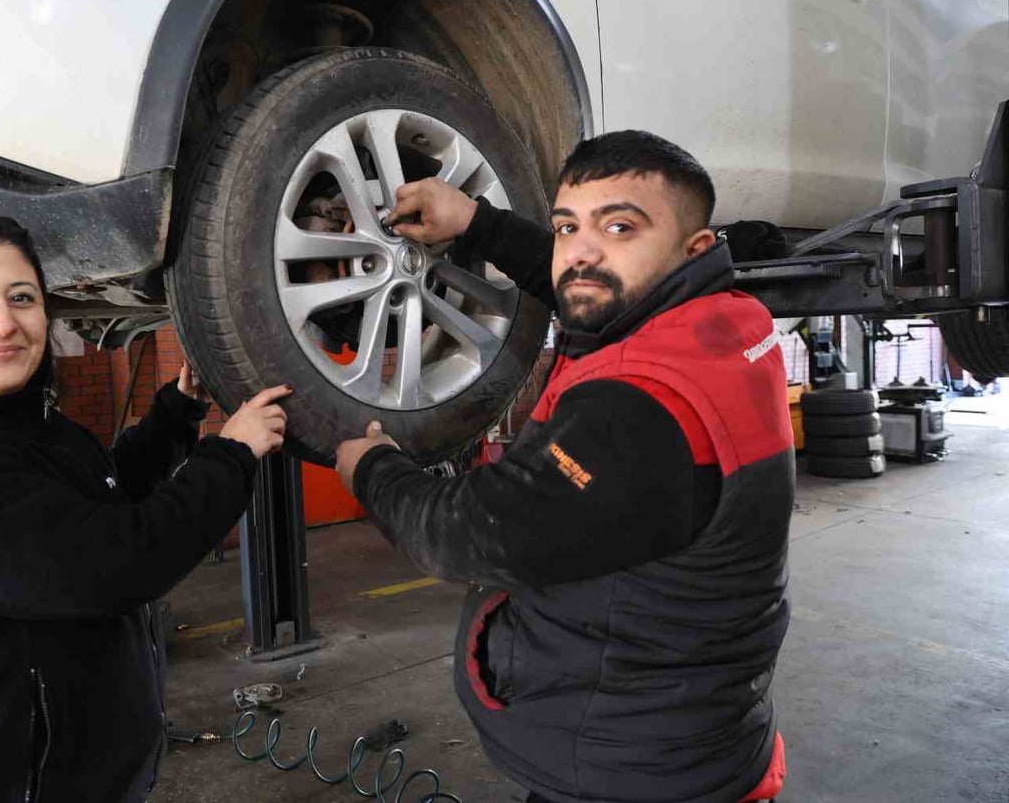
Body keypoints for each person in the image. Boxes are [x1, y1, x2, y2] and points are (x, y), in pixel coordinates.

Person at [336, 131, 793, 803]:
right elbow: (586, 285)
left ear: (693, 248)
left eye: (620, 225)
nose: (580, 249)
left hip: (631, 776)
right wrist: (475, 221)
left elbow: (463, 533)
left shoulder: (638, 416)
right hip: (686, 738)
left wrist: (373, 468)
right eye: (566, 226)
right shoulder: (714, 322)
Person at [0, 209, 290, 803]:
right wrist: (232, 455)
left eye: (22, 297)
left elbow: (105, 492)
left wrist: (179, 409)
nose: (3, 322)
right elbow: (116, 562)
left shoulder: (33, 431)